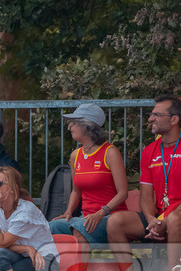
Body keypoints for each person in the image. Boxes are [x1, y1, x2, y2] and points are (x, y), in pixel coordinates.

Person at [111, 94, 181, 271]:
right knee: (115, 222)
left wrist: (165, 220)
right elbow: (145, 194)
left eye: (157, 114)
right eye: (152, 114)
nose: (150, 119)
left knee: (174, 219)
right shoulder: (149, 150)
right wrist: (151, 219)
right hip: (157, 218)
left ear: (174, 119)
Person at [49, 104, 131, 249]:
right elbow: (76, 191)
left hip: (110, 218)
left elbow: (123, 193)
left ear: (88, 126)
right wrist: (68, 212)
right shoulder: (75, 155)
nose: (69, 127)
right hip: (85, 218)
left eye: (74, 123)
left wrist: (101, 212)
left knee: (79, 229)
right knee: (51, 227)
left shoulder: (110, 152)